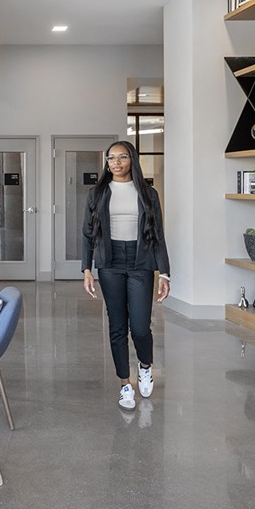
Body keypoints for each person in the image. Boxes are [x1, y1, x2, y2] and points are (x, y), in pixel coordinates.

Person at [82, 141, 171, 410]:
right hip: (110, 262)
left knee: (141, 326)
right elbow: (88, 234)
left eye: (122, 157)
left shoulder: (148, 193)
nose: (116, 162)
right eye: (111, 158)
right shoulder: (97, 193)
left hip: (141, 260)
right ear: (107, 162)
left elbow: (158, 235)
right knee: (118, 326)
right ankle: (125, 385)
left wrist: (164, 272)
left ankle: (145, 366)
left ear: (132, 159)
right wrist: (87, 269)